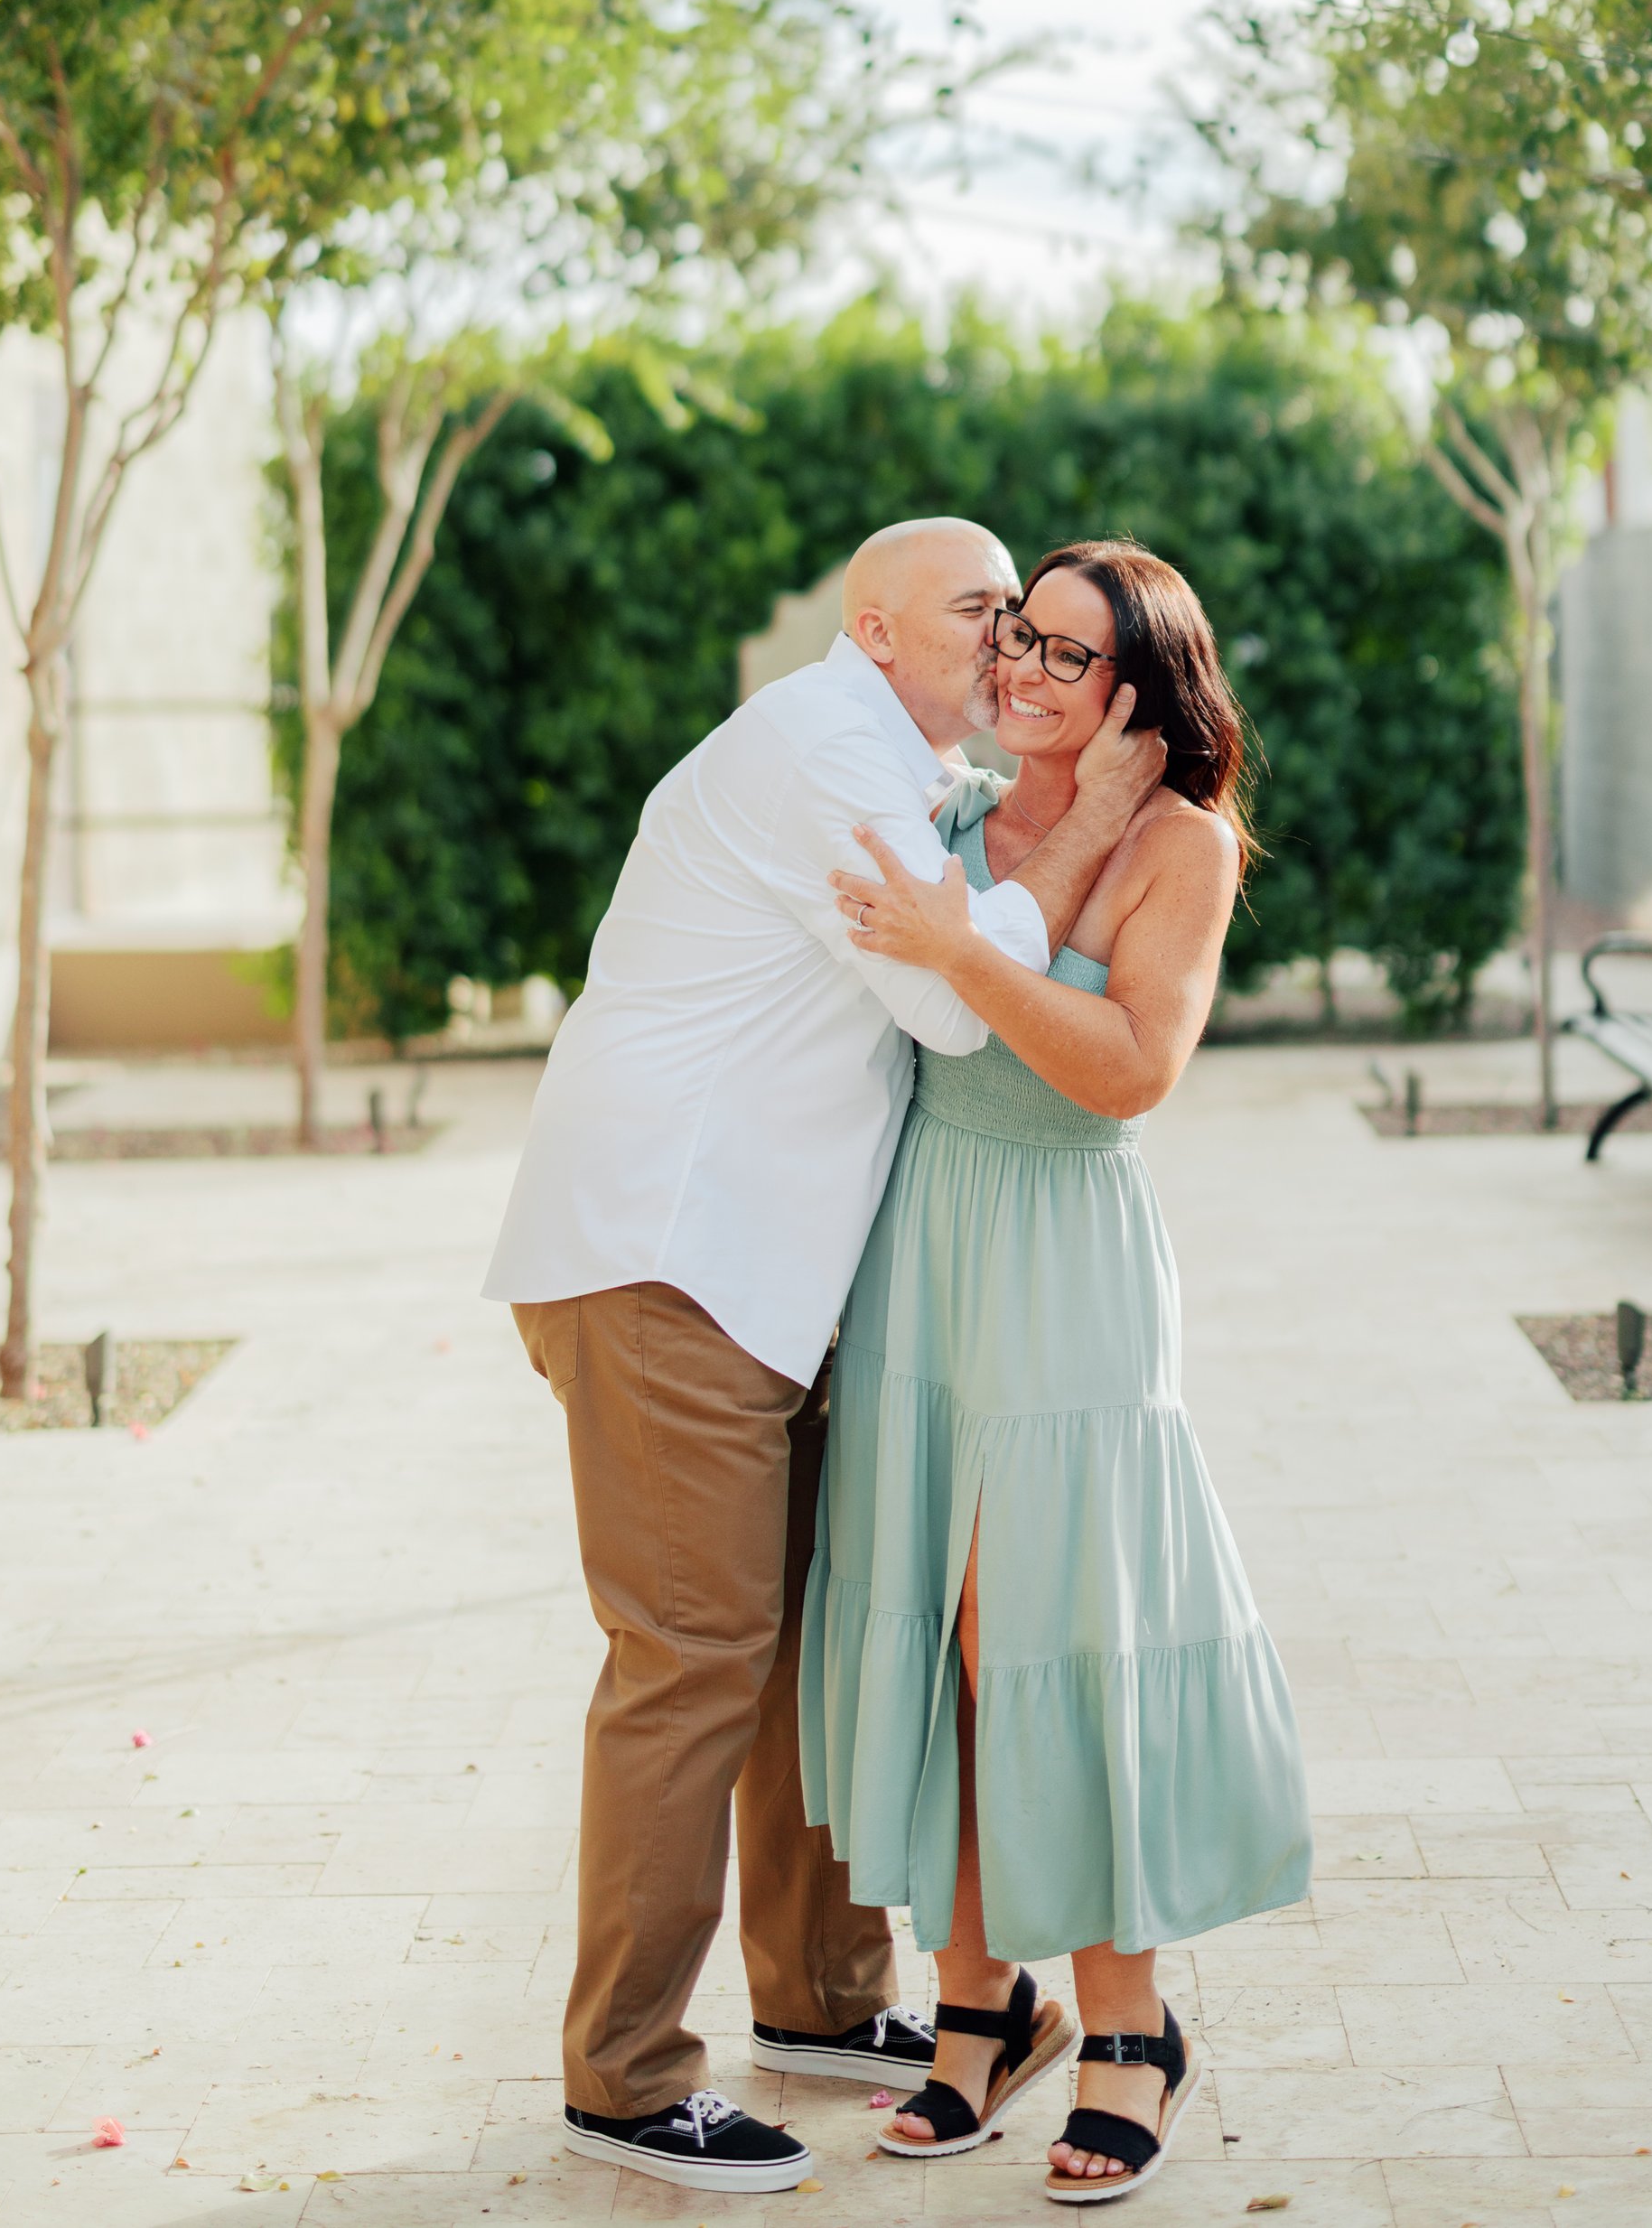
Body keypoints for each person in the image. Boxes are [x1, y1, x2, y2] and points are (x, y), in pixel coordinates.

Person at [482, 517, 1166, 2194]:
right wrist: (1083, 819)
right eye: (977, 608)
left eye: (1027, 614)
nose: (1009, 636)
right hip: (667, 1255)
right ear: (872, 625)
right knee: (696, 1652)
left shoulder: (895, 756)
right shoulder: (822, 745)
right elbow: (951, 996)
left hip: (758, 1279)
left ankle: (817, 2000)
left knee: (791, 1642)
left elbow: (958, 945)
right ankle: (625, 2077)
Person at [801, 539, 1311, 2207]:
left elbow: (1128, 1074)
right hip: (924, 1245)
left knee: (1057, 1634)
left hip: (1066, 1266)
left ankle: (1131, 2026)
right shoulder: (945, 815)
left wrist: (968, 958)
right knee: (943, 1629)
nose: (1022, 665)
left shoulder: (1180, 845)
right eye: (1019, 632)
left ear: (1137, 699)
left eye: (1068, 654)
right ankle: (974, 2006)